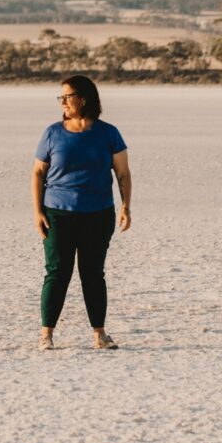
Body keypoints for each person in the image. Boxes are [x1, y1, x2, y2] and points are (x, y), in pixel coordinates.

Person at [32, 74, 132, 350]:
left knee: (93, 273)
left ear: (83, 99)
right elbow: (38, 173)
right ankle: (46, 335)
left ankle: (99, 334)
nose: (62, 101)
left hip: (98, 215)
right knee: (57, 272)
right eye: (60, 97)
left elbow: (123, 173)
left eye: (67, 96)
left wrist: (125, 207)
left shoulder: (108, 133)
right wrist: (38, 212)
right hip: (58, 214)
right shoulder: (52, 132)